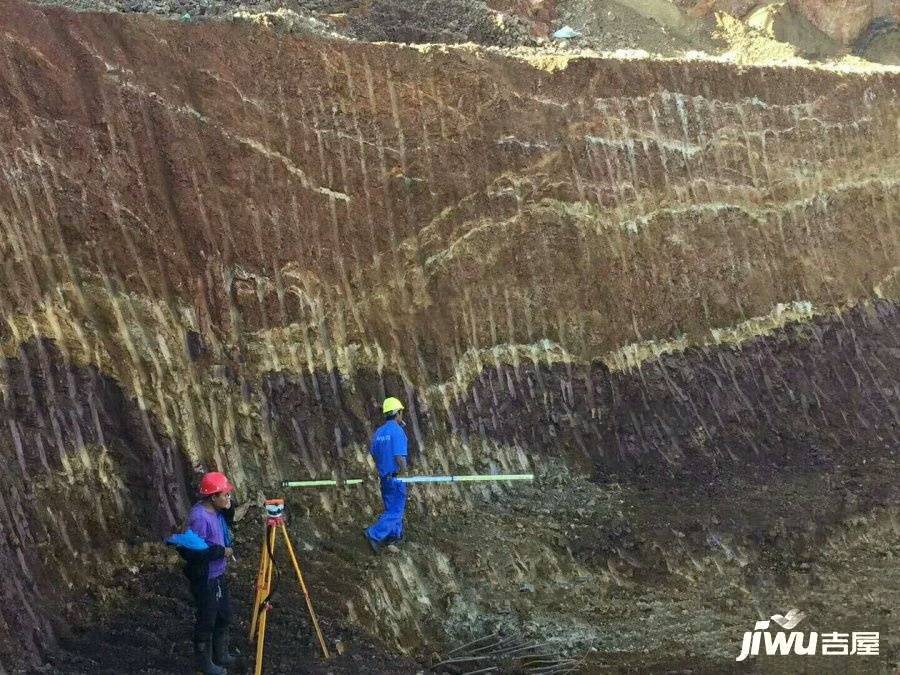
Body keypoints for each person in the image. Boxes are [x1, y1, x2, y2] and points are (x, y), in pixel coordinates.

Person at [167, 471, 236, 675]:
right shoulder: (199, 518)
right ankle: (205, 664)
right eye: (225, 494)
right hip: (205, 578)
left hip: (218, 574)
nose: (228, 498)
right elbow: (195, 552)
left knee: (224, 616)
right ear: (213, 497)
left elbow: (227, 525)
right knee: (207, 620)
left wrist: (230, 510)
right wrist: (222, 551)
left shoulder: (218, 511)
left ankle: (220, 654)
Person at [364, 397, 409, 553]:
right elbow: (399, 456)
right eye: (401, 412)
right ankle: (374, 534)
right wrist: (406, 473)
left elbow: (374, 453)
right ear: (397, 413)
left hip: (384, 477)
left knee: (391, 507)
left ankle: (393, 537)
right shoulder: (397, 431)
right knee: (396, 511)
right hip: (396, 477)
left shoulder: (379, 432)